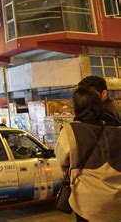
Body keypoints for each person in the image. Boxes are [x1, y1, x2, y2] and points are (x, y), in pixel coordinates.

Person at [55, 86, 121, 222]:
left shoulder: (70, 131)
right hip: (116, 201)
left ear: (76, 107)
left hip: (86, 203)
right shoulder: (117, 131)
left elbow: (62, 161)